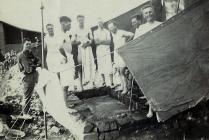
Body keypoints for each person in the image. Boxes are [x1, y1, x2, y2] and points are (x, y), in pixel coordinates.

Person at [134, 4, 162, 118]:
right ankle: (151, 108)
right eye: (146, 13)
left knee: (161, 82)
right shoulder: (141, 28)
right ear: (143, 15)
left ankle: (161, 109)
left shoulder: (160, 25)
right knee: (150, 84)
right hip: (147, 59)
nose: (148, 14)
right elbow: (135, 44)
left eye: (150, 12)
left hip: (159, 57)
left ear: (153, 12)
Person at [107, 21, 134, 94]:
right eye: (110, 28)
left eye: (112, 27)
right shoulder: (112, 34)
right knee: (119, 71)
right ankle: (123, 86)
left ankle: (126, 88)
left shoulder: (121, 32)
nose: (111, 29)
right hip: (116, 54)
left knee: (122, 71)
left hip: (122, 53)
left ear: (115, 26)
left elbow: (132, 34)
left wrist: (126, 44)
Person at [71, 15, 95, 90]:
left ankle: (91, 82)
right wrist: (80, 43)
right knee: (81, 65)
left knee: (90, 64)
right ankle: (81, 85)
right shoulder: (75, 30)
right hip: (80, 49)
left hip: (88, 48)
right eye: (79, 20)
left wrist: (87, 44)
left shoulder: (88, 28)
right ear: (77, 21)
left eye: (82, 20)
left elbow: (92, 39)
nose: (81, 22)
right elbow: (72, 42)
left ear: (84, 20)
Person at [18, 38, 40, 118]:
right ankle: (25, 114)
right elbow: (28, 70)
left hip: (33, 75)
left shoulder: (29, 53)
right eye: (27, 44)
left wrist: (34, 63)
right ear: (23, 44)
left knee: (32, 94)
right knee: (27, 96)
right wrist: (34, 65)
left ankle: (33, 110)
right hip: (27, 77)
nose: (28, 45)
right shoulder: (22, 55)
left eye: (29, 44)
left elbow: (37, 61)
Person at [58, 16, 75, 101]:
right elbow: (60, 47)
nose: (70, 26)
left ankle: (65, 105)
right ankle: (65, 107)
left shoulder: (66, 34)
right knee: (65, 83)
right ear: (63, 23)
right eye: (69, 24)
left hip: (68, 57)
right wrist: (65, 57)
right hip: (65, 59)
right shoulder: (60, 34)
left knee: (67, 83)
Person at [94, 18, 113, 87]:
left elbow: (109, 42)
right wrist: (104, 41)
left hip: (106, 50)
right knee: (101, 66)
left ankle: (112, 82)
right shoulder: (95, 32)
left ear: (103, 23)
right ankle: (104, 82)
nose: (100, 24)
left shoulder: (107, 31)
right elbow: (96, 42)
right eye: (98, 22)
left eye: (101, 22)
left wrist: (100, 41)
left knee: (109, 66)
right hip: (99, 51)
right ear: (97, 23)